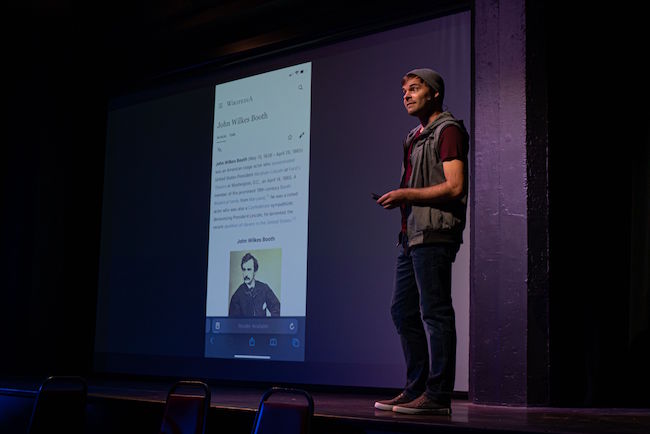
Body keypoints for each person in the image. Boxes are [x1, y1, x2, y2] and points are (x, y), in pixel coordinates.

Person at [374, 68, 469, 415]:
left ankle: (438, 395)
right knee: (402, 310)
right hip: (411, 236)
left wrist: (405, 193)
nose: (407, 95)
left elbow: (455, 186)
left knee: (435, 313)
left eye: (415, 89)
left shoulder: (448, 131)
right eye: (404, 91)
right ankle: (416, 388)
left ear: (436, 93)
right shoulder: (413, 137)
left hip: (434, 234)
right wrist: (402, 200)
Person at [229, 253, 280, 317]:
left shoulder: (264, 288)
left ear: (255, 271)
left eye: (249, 270)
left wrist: (270, 324)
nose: (246, 274)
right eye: (244, 270)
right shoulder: (236, 296)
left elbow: (277, 307)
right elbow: (233, 323)